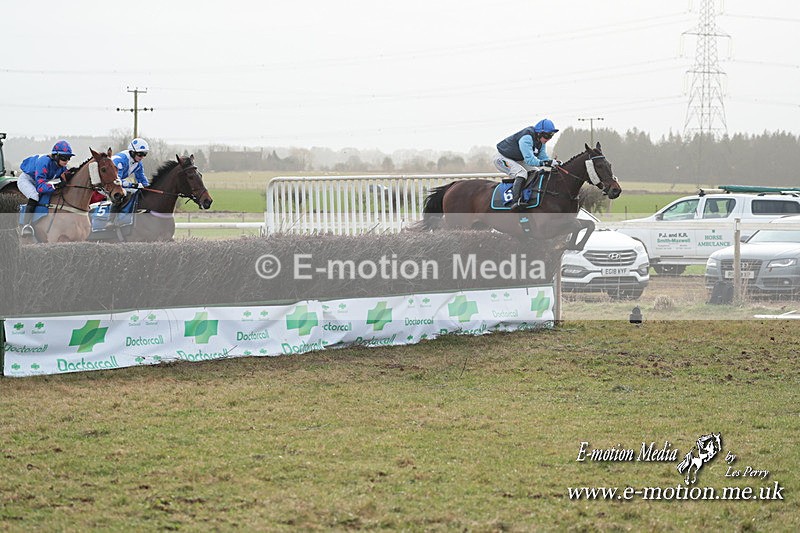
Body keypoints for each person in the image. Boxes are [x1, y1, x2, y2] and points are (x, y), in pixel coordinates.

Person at [493, 118, 559, 208]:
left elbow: (543, 157)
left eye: (551, 136)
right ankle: (515, 202)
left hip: (516, 159)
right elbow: (530, 160)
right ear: (539, 133)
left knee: (536, 172)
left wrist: (553, 163)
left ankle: (529, 196)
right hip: (501, 158)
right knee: (521, 173)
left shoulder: (541, 142)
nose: (548, 139)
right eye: (547, 136)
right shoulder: (526, 138)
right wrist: (546, 163)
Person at [18, 140, 76, 236]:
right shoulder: (43, 162)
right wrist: (56, 186)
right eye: (64, 158)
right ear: (56, 156)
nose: (66, 161)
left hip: (41, 180)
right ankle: (26, 225)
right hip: (27, 180)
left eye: (69, 158)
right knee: (35, 195)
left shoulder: (62, 166)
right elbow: (40, 187)